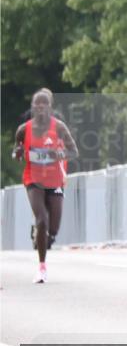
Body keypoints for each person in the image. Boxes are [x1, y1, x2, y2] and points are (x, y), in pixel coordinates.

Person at [12, 89, 78, 283]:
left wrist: (58, 155)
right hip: (33, 179)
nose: (40, 108)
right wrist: (17, 153)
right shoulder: (24, 129)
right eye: (36, 105)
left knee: (54, 227)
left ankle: (43, 237)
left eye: (44, 105)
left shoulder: (59, 128)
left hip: (55, 179)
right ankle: (42, 267)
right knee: (42, 219)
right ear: (32, 108)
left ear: (50, 108)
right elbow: (16, 151)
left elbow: (74, 151)